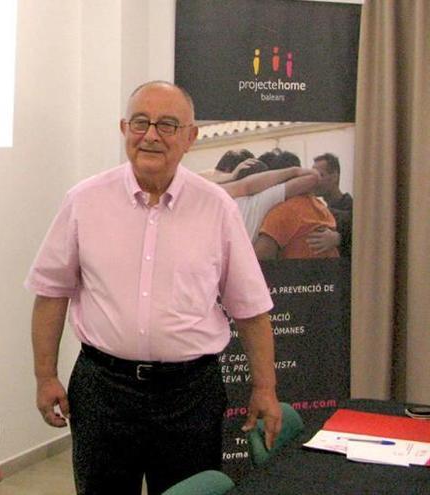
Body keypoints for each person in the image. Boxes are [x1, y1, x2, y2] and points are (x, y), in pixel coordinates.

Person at [26, 81, 281, 495]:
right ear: (124, 128)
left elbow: (251, 308)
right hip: (102, 391)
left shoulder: (217, 208)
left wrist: (265, 388)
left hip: (190, 396)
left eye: (166, 125)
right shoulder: (84, 201)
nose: (151, 135)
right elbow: (51, 293)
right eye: (141, 122)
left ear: (190, 137)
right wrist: (44, 376)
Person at [254, 151, 339, 260]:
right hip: (329, 274)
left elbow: (259, 258)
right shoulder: (320, 206)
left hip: (297, 275)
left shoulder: (284, 212)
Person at [308, 153, 352, 258]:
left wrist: (340, 239)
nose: (315, 180)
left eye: (321, 175)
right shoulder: (322, 209)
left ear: (335, 177)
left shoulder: (354, 210)